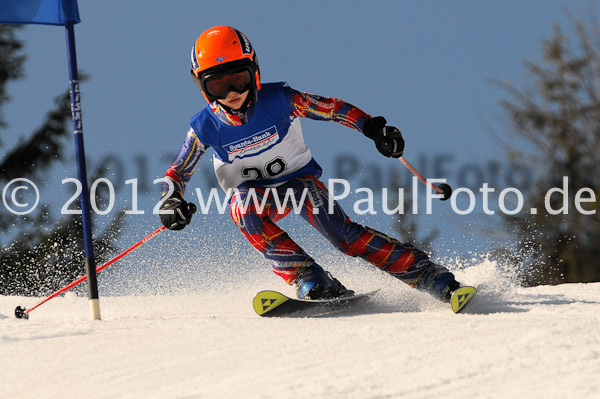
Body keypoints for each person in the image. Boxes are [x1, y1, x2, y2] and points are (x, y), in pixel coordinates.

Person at [159, 26, 461, 302]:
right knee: (243, 208)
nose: (232, 94)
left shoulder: (279, 100)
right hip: (254, 193)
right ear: (202, 85)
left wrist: (373, 128)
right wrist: (170, 201)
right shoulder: (204, 127)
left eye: (239, 79)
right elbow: (178, 171)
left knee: (344, 237)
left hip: (298, 184)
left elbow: (331, 108)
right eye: (218, 86)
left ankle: (426, 273)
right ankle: (309, 277)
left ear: (254, 70)